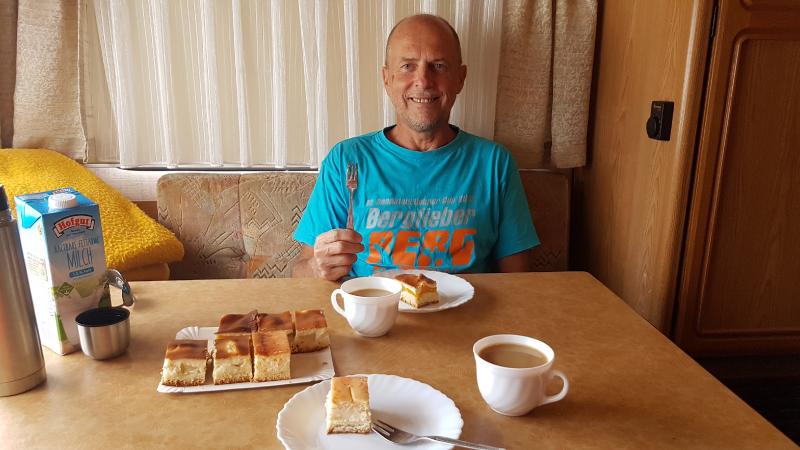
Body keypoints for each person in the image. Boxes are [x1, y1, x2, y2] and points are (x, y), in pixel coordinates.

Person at [292, 14, 538, 280]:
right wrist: (317, 268)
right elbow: (299, 275)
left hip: (469, 306)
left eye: (439, 66)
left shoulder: (494, 163)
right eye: (408, 66)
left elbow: (519, 282)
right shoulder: (346, 160)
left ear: (460, 78)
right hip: (374, 306)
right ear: (387, 79)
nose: (423, 81)